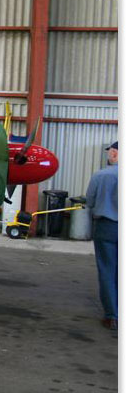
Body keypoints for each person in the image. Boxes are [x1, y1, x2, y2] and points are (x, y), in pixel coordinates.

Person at [85, 141, 118, 330]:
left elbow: (89, 201)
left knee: (107, 270)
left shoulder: (101, 175)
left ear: (114, 153)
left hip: (107, 227)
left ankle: (112, 316)